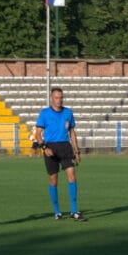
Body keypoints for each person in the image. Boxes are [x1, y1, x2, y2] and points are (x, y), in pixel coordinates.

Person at [35, 87, 86, 221]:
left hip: (65, 147)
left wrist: (76, 151)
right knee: (53, 179)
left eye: (61, 97)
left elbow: (72, 133)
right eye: (56, 98)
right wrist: (44, 147)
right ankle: (57, 212)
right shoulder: (44, 113)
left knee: (72, 176)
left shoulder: (68, 112)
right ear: (51, 98)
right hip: (50, 148)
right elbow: (38, 134)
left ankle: (74, 211)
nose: (59, 100)